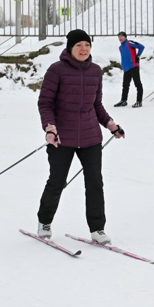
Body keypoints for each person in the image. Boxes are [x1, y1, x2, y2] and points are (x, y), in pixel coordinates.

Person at [36, 29, 126, 244]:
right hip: (61, 138)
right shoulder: (56, 70)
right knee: (57, 181)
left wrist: (110, 124)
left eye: (87, 45)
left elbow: (96, 105)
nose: (83, 49)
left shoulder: (95, 71)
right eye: (79, 45)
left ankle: (97, 228)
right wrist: (50, 128)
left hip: (90, 137)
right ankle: (44, 221)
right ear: (70, 48)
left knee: (95, 183)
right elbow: (45, 103)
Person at [114, 31, 145, 108]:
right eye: (119, 37)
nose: (120, 38)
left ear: (125, 37)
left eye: (121, 36)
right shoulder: (120, 47)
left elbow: (141, 47)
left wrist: (137, 56)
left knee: (137, 84)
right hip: (126, 68)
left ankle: (139, 101)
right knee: (125, 85)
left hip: (134, 66)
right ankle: (123, 100)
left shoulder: (129, 43)